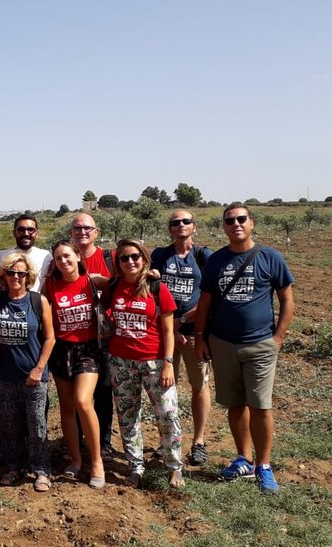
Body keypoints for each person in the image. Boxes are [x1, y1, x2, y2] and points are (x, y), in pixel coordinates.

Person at [195, 204, 295, 494]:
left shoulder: (270, 257)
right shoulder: (216, 261)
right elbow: (206, 302)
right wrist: (201, 337)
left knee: (260, 406)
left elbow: (287, 299)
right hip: (223, 343)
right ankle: (244, 458)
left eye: (241, 219)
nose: (236, 224)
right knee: (235, 404)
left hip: (260, 344)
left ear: (252, 223)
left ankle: (264, 465)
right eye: (230, 220)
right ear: (224, 227)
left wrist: (278, 336)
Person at [106, 238, 183, 489]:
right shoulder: (114, 285)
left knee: (167, 415)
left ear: (144, 259)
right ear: (117, 263)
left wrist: (169, 363)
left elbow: (168, 330)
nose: (130, 262)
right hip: (121, 362)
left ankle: (174, 467)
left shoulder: (157, 287)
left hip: (155, 362)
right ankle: (135, 466)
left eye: (135, 257)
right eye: (124, 258)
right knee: (128, 418)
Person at [151, 210, 213, 466]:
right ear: (170, 229)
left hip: (194, 334)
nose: (181, 225)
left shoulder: (203, 256)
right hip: (166, 333)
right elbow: (151, 293)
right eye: (175, 223)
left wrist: (182, 321)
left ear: (194, 227)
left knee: (199, 386)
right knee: (166, 387)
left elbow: (212, 296)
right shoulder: (160, 256)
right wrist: (171, 329)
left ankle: (198, 442)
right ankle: (168, 439)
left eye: (186, 221)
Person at [43, 239, 106, 488]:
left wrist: (151, 274)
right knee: (67, 408)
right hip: (61, 349)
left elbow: (124, 286)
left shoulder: (93, 281)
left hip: (88, 350)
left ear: (78, 256)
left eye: (67, 256)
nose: (64, 261)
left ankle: (97, 461)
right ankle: (76, 459)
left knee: (83, 401)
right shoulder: (50, 286)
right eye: (58, 258)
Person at [0, 252, 56, 491]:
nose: (16, 276)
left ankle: (41, 469)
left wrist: (38, 370)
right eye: (11, 272)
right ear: (3, 275)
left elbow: (49, 339)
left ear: (28, 276)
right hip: (5, 376)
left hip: (34, 376)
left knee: (37, 424)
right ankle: (13, 466)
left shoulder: (39, 301)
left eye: (21, 273)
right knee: (8, 425)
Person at [69, 212, 116, 458]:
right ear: (70, 233)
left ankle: (104, 442)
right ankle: (79, 440)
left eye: (87, 228)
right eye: (77, 228)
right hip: (76, 337)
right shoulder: (65, 260)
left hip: (105, 337)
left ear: (96, 232)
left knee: (104, 392)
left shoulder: (110, 258)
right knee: (78, 394)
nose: (82, 232)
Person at [0, 215, 53, 292]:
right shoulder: (1, 256)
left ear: (37, 234)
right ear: (14, 233)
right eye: (21, 229)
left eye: (30, 229)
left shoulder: (46, 256)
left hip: (39, 303)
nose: (26, 233)